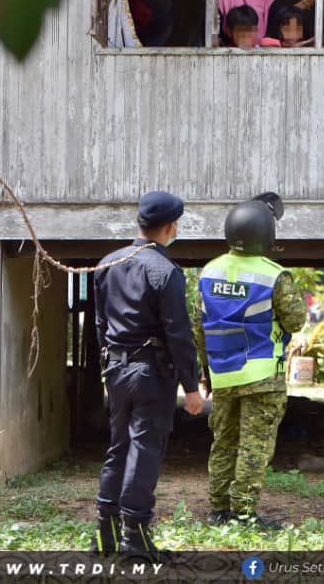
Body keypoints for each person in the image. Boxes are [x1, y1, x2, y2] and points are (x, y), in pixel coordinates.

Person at [92, 191, 204, 557]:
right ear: (171, 227)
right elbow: (178, 334)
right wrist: (191, 387)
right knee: (144, 448)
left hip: (116, 366)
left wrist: (107, 363)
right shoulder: (165, 272)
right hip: (150, 371)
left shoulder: (107, 263)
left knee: (118, 447)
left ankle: (104, 534)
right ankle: (134, 538)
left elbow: (100, 323)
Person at [192, 195, 306, 529]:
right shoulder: (274, 276)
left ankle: (217, 510)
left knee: (224, 441)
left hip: (223, 374)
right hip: (262, 376)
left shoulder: (209, 272)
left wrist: (207, 368)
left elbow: (199, 328)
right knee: (254, 446)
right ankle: (243, 514)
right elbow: (296, 321)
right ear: (266, 236)